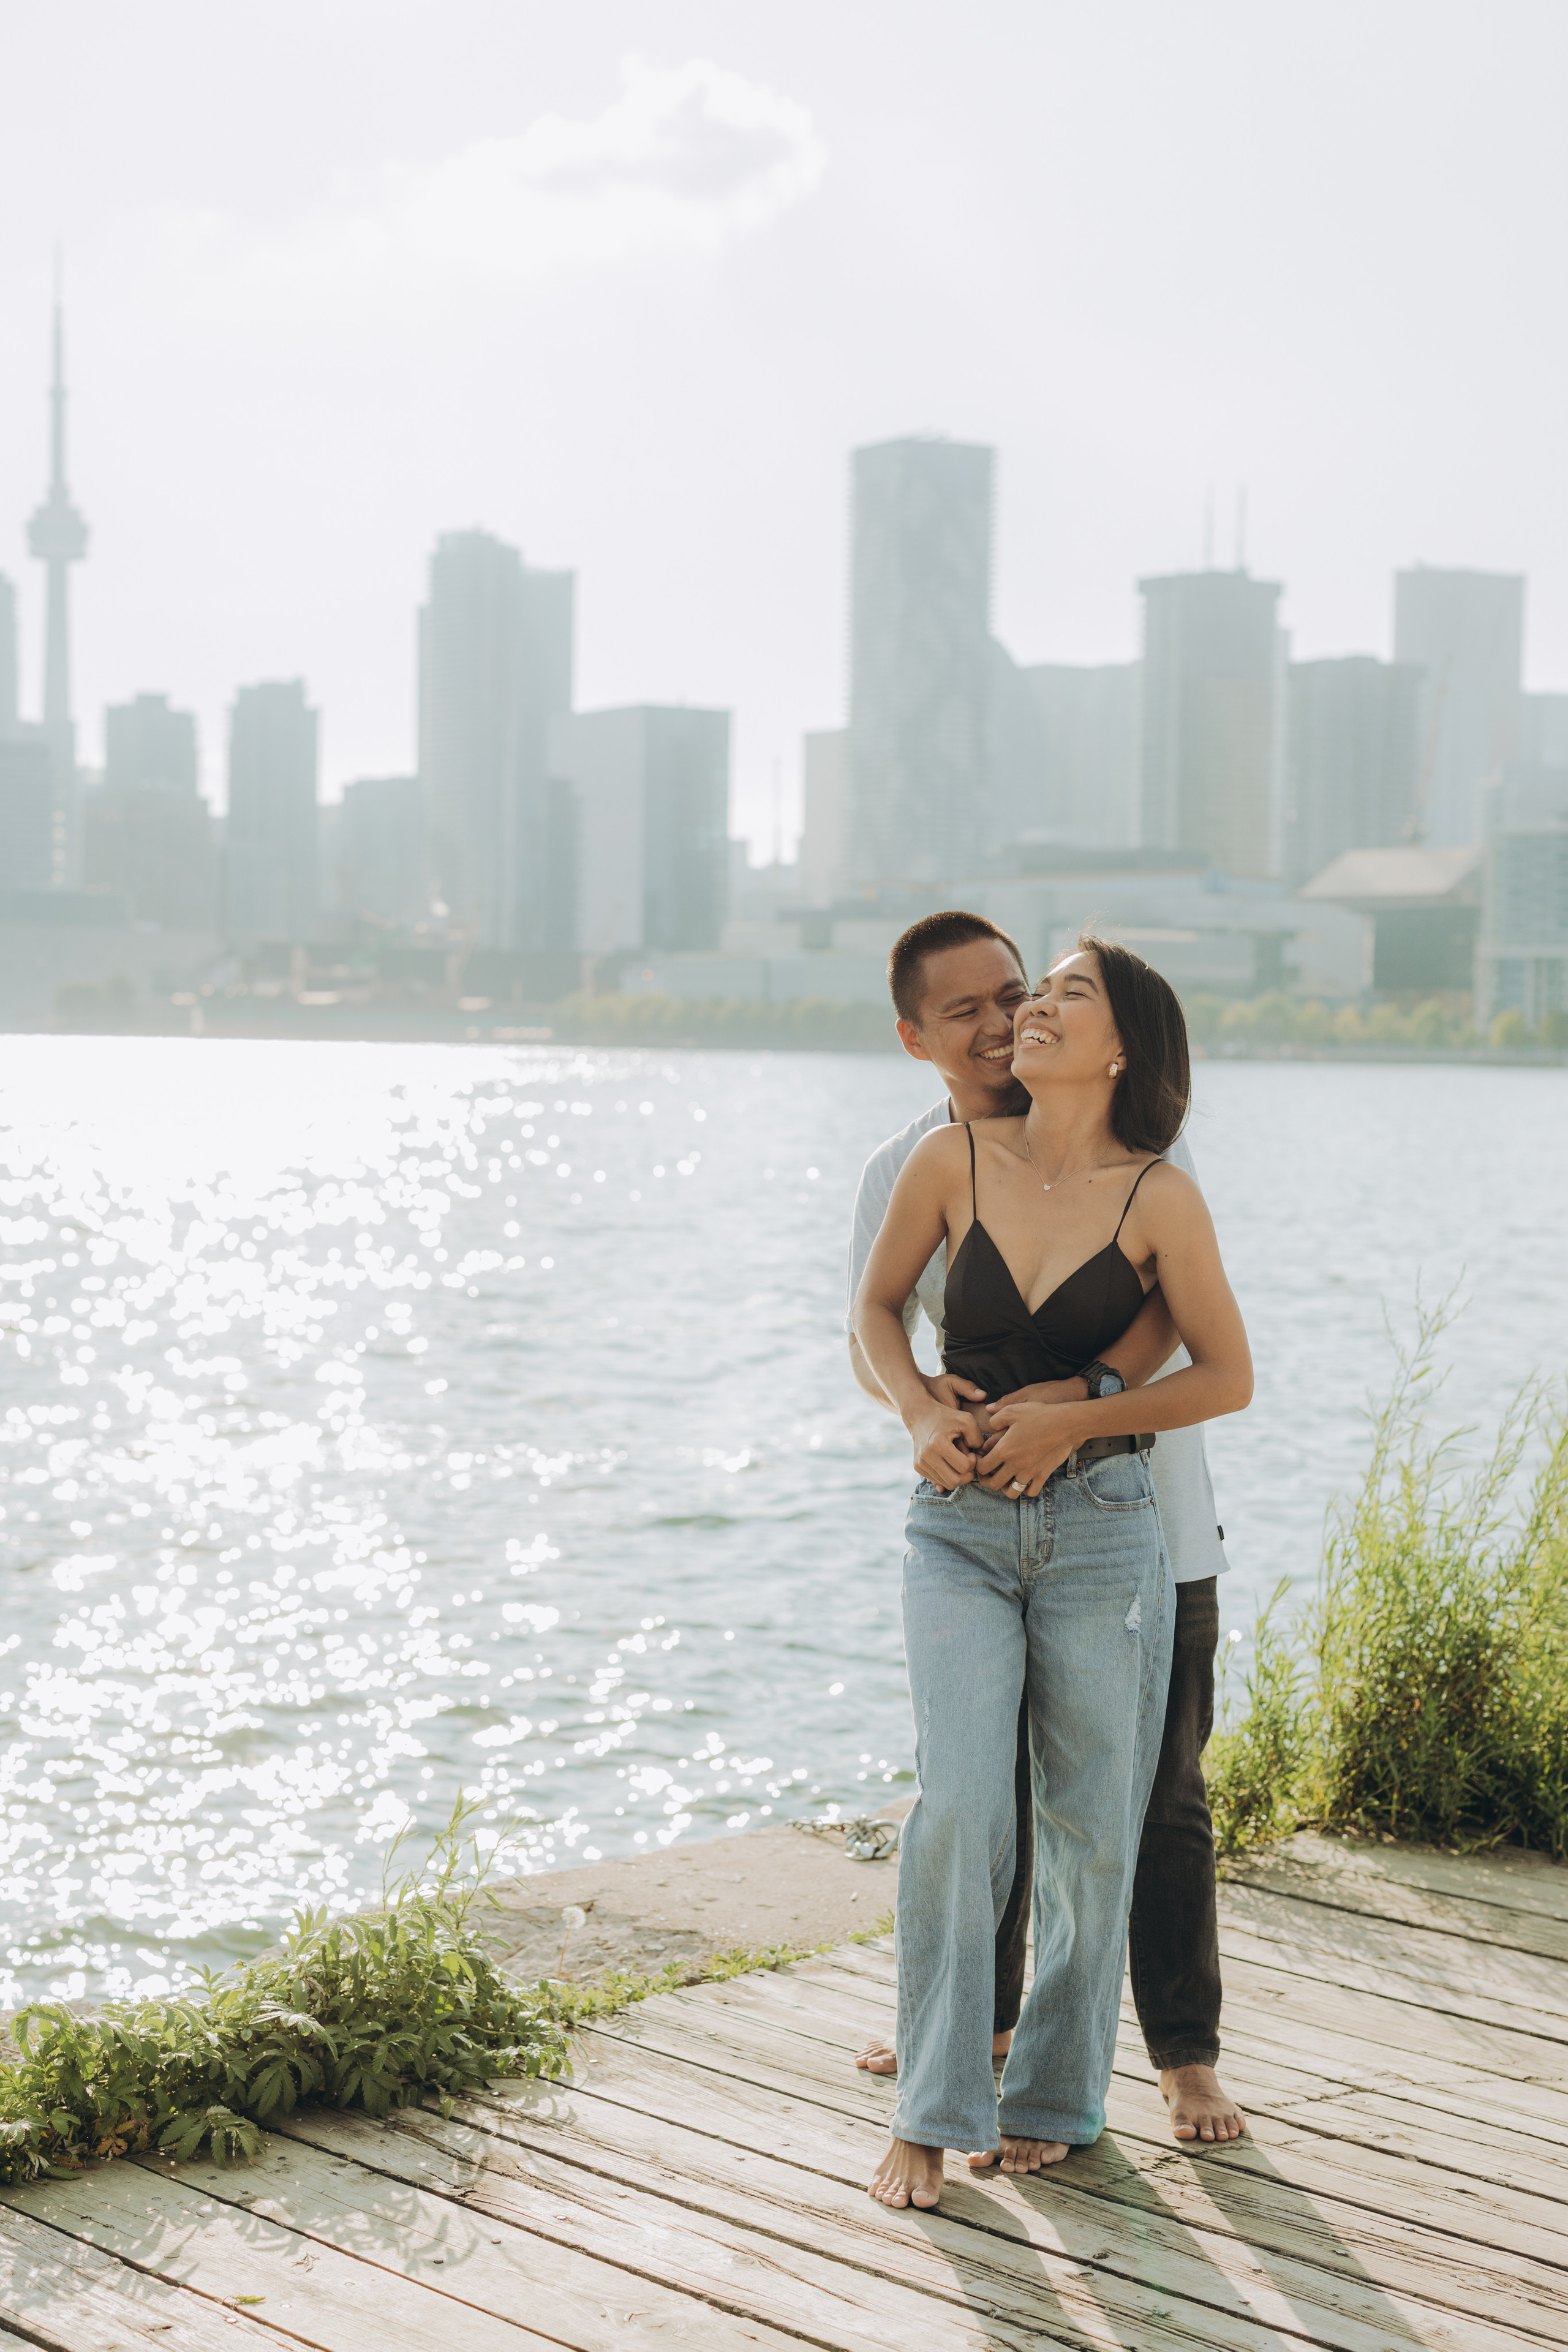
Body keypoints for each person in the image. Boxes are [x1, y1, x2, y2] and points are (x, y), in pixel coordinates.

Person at [851, 925, 1253, 2211]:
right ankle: (938, 2088)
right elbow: (870, 1320)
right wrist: (924, 1418)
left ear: (1115, 1039)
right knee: (961, 1809)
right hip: (962, 1526)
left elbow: (1190, 1347)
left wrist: (1068, 1409)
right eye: (966, 1009)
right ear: (915, 1036)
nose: (1006, 1018)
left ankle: (1101, 2085)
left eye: (1029, 994)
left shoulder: (1156, 1175)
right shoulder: (928, 1159)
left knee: (1121, 1816)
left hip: (1123, 1522)